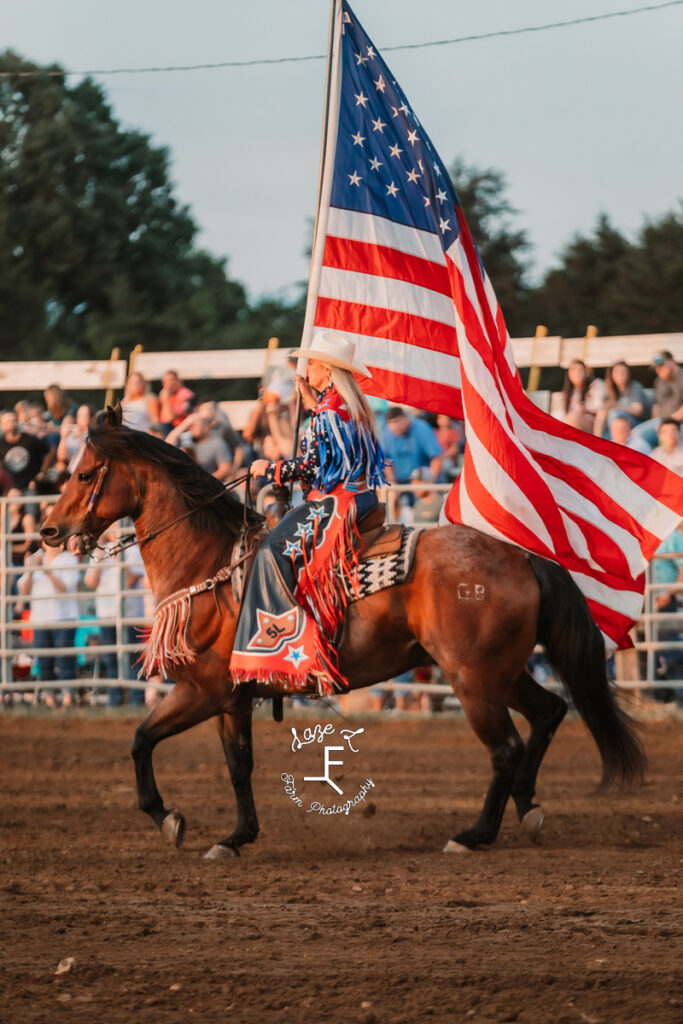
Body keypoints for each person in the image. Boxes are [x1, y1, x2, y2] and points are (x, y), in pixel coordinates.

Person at [229, 332, 385, 694]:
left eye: (312, 363)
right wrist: (312, 402)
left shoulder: (330, 411)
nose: (306, 367)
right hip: (358, 495)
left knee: (270, 551)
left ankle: (289, 645)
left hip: (336, 501)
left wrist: (270, 469)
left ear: (327, 369)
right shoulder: (344, 406)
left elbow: (313, 466)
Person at [17, 540, 80, 706]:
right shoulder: (36, 558)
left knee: (65, 659)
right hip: (40, 620)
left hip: (64, 619)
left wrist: (44, 569)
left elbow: (64, 587)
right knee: (44, 661)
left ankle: (68, 698)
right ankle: (49, 698)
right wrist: (30, 571)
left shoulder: (69, 559)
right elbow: (23, 592)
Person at [632, 351, 683, 448]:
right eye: (656, 368)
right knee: (635, 435)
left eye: (661, 366)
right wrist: (656, 424)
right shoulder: (659, 381)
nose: (658, 370)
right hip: (662, 422)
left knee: (643, 434)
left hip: (679, 424)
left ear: (672, 362)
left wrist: (665, 424)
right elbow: (657, 406)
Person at [166, 411, 233, 480]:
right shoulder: (187, 442)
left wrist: (205, 482)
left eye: (195, 424)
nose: (191, 427)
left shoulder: (217, 443)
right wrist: (185, 424)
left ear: (206, 427)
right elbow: (167, 447)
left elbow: (225, 469)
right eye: (190, 425)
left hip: (209, 485)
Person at [0, 410, 51, 492]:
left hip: (31, 486)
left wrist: (42, 472)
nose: (11, 424)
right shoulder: (1, 443)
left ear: (18, 421)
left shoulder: (30, 440)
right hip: (10, 488)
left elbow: (50, 451)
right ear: (2, 425)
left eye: (14, 420)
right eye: (7, 422)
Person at [598, 360, 648, 435]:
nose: (620, 374)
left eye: (623, 371)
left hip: (637, 424)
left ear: (628, 374)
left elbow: (638, 411)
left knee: (614, 413)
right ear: (612, 374)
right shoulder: (608, 390)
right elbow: (601, 413)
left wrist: (617, 406)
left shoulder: (635, 387)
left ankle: (615, 441)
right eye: (617, 372)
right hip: (613, 426)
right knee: (603, 414)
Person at [557, 359, 606, 435]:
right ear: (569, 374)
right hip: (570, 426)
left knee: (573, 418)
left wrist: (585, 410)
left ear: (586, 372)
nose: (577, 373)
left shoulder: (595, 386)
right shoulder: (567, 393)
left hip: (593, 426)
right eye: (573, 369)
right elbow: (560, 415)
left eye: (580, 369)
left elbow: (600, 411)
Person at [56, 404, 93, 473]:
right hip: (71, 471)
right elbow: (62, 457)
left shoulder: (93, 435)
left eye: (84, 415)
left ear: (91, 418)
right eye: (79, 415)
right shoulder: (72, 434)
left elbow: (90, 456)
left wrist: (81, 439)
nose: (81, 418)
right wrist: (63, 438)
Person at [157, 369, 195, 434]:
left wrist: (165, 400)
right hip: (170, 429)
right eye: (165, 381)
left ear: (179, 381)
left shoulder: (185, 394)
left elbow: (169, 418)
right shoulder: (168, 394)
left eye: (171, 380)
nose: (168, 383)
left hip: (183, 431)